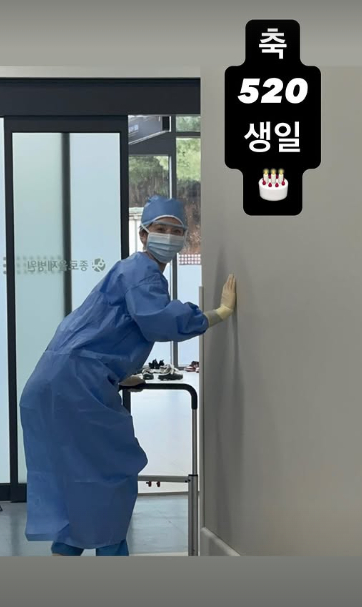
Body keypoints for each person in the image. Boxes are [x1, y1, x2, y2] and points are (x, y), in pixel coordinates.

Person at [20, 195, 236, 557]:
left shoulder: (127, 270)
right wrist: (218, 314)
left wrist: (116, 374)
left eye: (176, 231)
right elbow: (159, 320)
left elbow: (102, 330)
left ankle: (67, 554)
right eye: (161, 229)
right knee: (112, 474)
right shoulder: (142, 273)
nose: (169, 236)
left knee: (76, 479)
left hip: (60, 380)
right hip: (79, 386)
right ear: (143, 234)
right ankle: (110, 552)